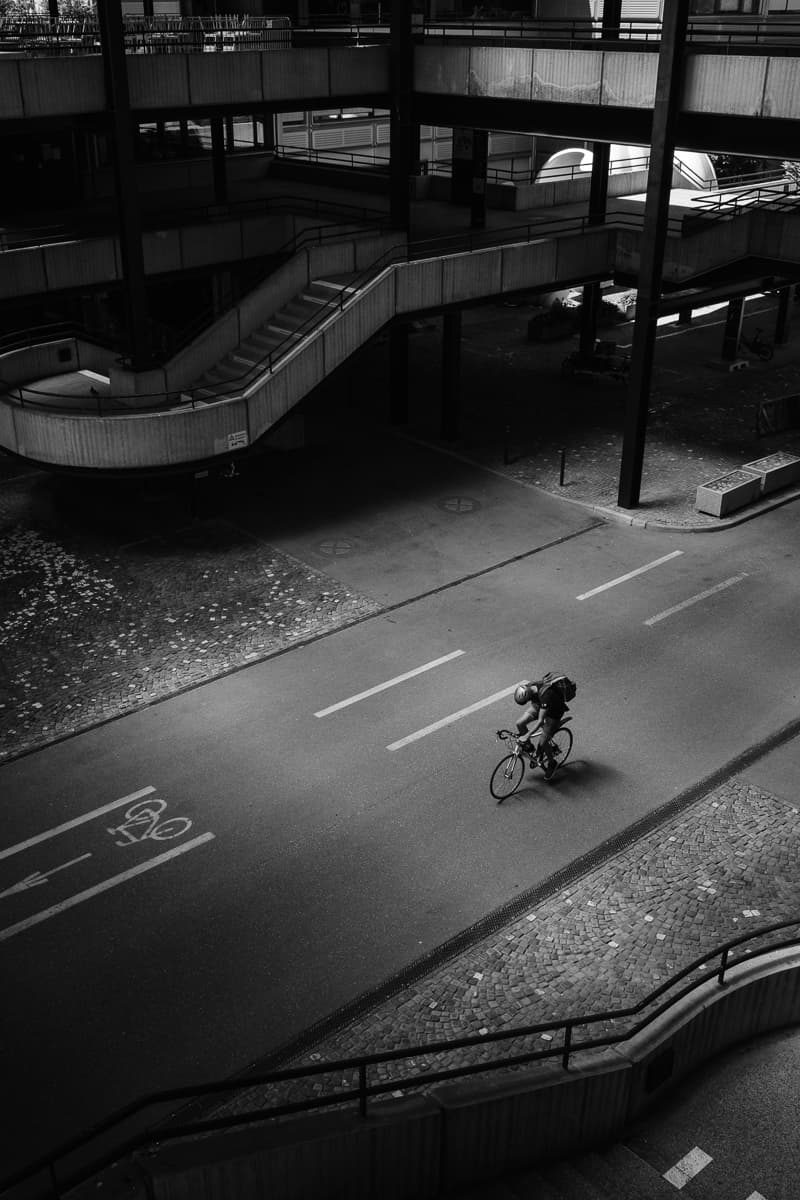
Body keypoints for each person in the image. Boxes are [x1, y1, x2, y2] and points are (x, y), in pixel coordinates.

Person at [512, 674, 570, 779]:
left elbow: (540, 721)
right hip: (539, 704)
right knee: (519, 723)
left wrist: (527, 735)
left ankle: (552, 764)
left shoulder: (546, 695)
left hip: (554, 712)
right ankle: (530, 748)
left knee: (543, 742)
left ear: (528, 695)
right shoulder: (530, 686)